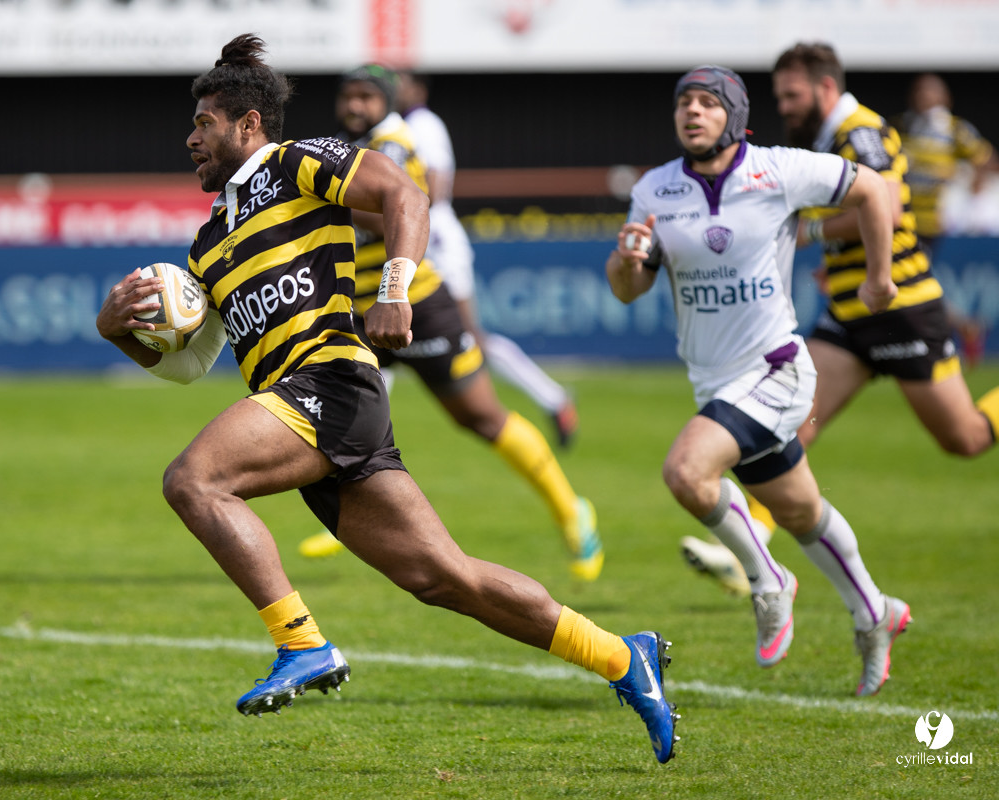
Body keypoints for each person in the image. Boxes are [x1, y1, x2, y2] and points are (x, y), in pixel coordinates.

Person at [95, 35, 677, 763]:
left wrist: (395, 289)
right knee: (446, 578)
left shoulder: (295, 162)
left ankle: (301, 643)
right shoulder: (208, 243)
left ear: (248, 124)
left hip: (329, 384)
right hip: (307, 412)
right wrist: (117, 333)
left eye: (203, 124)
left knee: (193, 480)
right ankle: (623, 656)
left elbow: (405, 194)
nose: (190, 138)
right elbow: (190, 365)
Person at [607, 64, 910, 696]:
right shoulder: (655, 189)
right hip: (714, 383)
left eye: (707, 103)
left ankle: (769, 581)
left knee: (687, 472)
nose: (692, 112)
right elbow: (628, 289)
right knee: (800, 511)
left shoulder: (777, 169)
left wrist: (879, 279)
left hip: (777, 369)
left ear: (735, 116)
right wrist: (626, 262)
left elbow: (873, 189)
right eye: (684, 103)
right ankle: (873, 611)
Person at [681, 48, 999, 598]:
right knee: (791, 427)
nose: (784, 106)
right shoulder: (830, 137)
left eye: (792, 95)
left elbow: (887, 206)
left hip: (900, 311)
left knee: (965, 438)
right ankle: (747, 549)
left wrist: (812, 233)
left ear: (825, 88)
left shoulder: (861, 131)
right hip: (850, 318)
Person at [298, 63, 603, 583]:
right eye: (347, 95)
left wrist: (322, 199)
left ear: (387, 102)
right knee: (345, 422)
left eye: (366, 97)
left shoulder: (392, 145)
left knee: (480, 418)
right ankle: (348, 522)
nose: (353, 105)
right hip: (359, 310)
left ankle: (572, 512)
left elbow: (392, 211)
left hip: (413, 305)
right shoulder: (350, 149)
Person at [395, 70, 580, 447]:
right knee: (386, 335)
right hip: (418, 240)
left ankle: (554, 399)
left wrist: (395, 207)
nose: (394, 87)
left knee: (469, 336)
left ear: (418, 88)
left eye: (400, 80)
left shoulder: (422, 124)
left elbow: (435, 186)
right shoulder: (401, 126)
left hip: (436, 243)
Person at [890, 73, 997, 367]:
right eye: (920, 91)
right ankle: (959, 329)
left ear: (945, 98)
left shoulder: (955, 131)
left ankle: (953, 331)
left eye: (931, 92)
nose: (925, 97)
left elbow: (986, 160)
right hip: (898, 218)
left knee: (909, 280)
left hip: (928, 223)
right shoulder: (901, 127)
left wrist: (972, 188)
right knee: (910, 280)